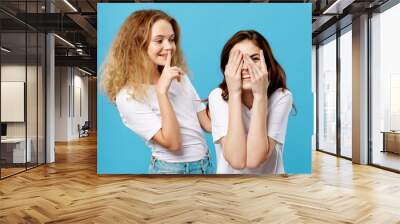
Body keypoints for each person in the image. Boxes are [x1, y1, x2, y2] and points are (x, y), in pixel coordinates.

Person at [101, 9, 211, 174]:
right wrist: (161, 92)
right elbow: (173, 143)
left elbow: (208, 125)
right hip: (171, 170)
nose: (169, 47)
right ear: (137, 45)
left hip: (204, 165)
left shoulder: (179, 76)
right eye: (159, 40)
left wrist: (227, 94)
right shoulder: (127, 97)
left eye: (171, 39)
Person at [208, 30, 292, 174]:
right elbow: (237, 161)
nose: (246, 67)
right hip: (229, 189)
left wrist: (260, 95)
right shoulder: (217, 97)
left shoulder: (281, 97)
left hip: (270, 188)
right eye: (238, 61)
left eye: (254, 58)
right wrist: (234, 93)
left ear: (267, 64)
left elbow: (254, 159)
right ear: (227, 67)